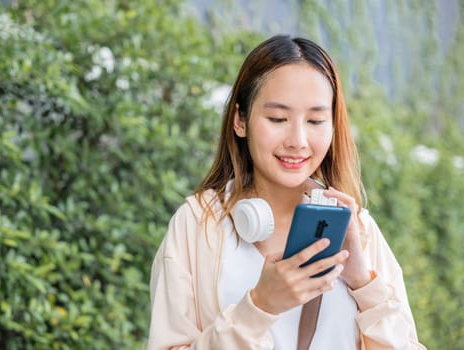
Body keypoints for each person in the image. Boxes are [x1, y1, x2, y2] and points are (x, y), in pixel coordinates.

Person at [148, 34, 425, 349]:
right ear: (240, 120)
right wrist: (259, 307)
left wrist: (364, 284)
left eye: (316, 120)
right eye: (278, 118)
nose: (298, 140)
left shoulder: (357, 230)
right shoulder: (197, 225)